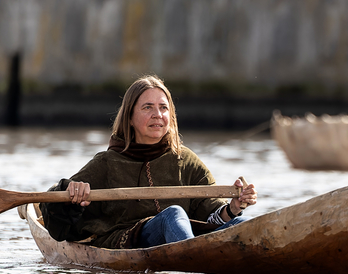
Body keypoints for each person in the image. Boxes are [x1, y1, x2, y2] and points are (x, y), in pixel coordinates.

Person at [41, 75, 257, 249]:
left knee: (242, 225)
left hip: (187, 236)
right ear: (130, 118)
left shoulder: (186, 159)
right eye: (147, 108)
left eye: (163, 108)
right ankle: (197, 266)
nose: (157, 115)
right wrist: (71, 192)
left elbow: (209, 214)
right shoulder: (107, 162)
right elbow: (54, 215)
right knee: (173, 214)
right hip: (128, 241)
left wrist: (233, 207)